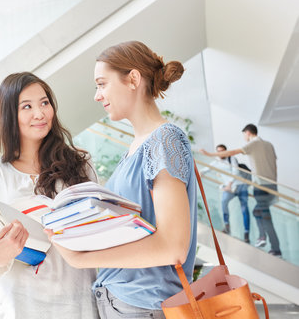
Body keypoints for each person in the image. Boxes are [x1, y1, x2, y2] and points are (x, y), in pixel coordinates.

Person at [47, 41, 197, 319]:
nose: (97, 95)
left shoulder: (164, 140)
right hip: (123, 302)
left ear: (133, 79)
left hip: (144, 305)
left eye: (102, 84)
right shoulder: (136, 147)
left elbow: (173, 247)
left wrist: (82, 259)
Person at [0, 72, 99, 319]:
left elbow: (97, 233)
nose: (40, 113)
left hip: (76, 301)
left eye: (45, 103)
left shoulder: (80, 165)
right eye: (27, 106)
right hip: (17, 304)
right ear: (10, 115)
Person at [201, 124, 281, 257]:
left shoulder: (254, 143)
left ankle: (274, 247)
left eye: (244, 135)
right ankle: (265, 239)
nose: (244, 137)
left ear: (248, 133)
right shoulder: (269, 145)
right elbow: (275, 166)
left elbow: (232, 152)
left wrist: (209, 154)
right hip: (272, 185)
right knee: (258, 212)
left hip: (260, 186)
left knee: (264, 216)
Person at [200, 144, 250, 242]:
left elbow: (236, 172)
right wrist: (200, 173)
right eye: (218, 151)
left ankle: (246, 232)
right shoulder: (216, 162)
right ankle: (227, 226)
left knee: (244, 209)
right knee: (224, 202)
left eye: (222, 151)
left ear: (226, 151)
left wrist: (229, 184)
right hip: (229, 189)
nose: (221, 153)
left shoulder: (232, 159)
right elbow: (205, 170)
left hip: (240, 186)